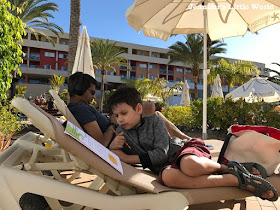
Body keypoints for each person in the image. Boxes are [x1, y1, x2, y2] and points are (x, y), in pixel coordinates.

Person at [107, 86, 278, 202]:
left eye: (123, 113)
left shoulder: (155, 122)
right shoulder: (122, 134)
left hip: (185, 150)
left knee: (189, 165)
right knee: (167, 177)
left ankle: (227, 168)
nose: (120, 119)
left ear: (138, 109)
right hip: (168, 168)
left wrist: (127, 158)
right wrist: (113, 147)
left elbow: (161, 153)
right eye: (116, 115)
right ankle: (236, 179)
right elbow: (112, 157)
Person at [68, 72, 116, 147]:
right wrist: (113, 124)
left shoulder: (76, 108)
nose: (94, 97)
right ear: (80, 89)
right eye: (92, 92)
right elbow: (101, 143)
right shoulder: (81, 109)